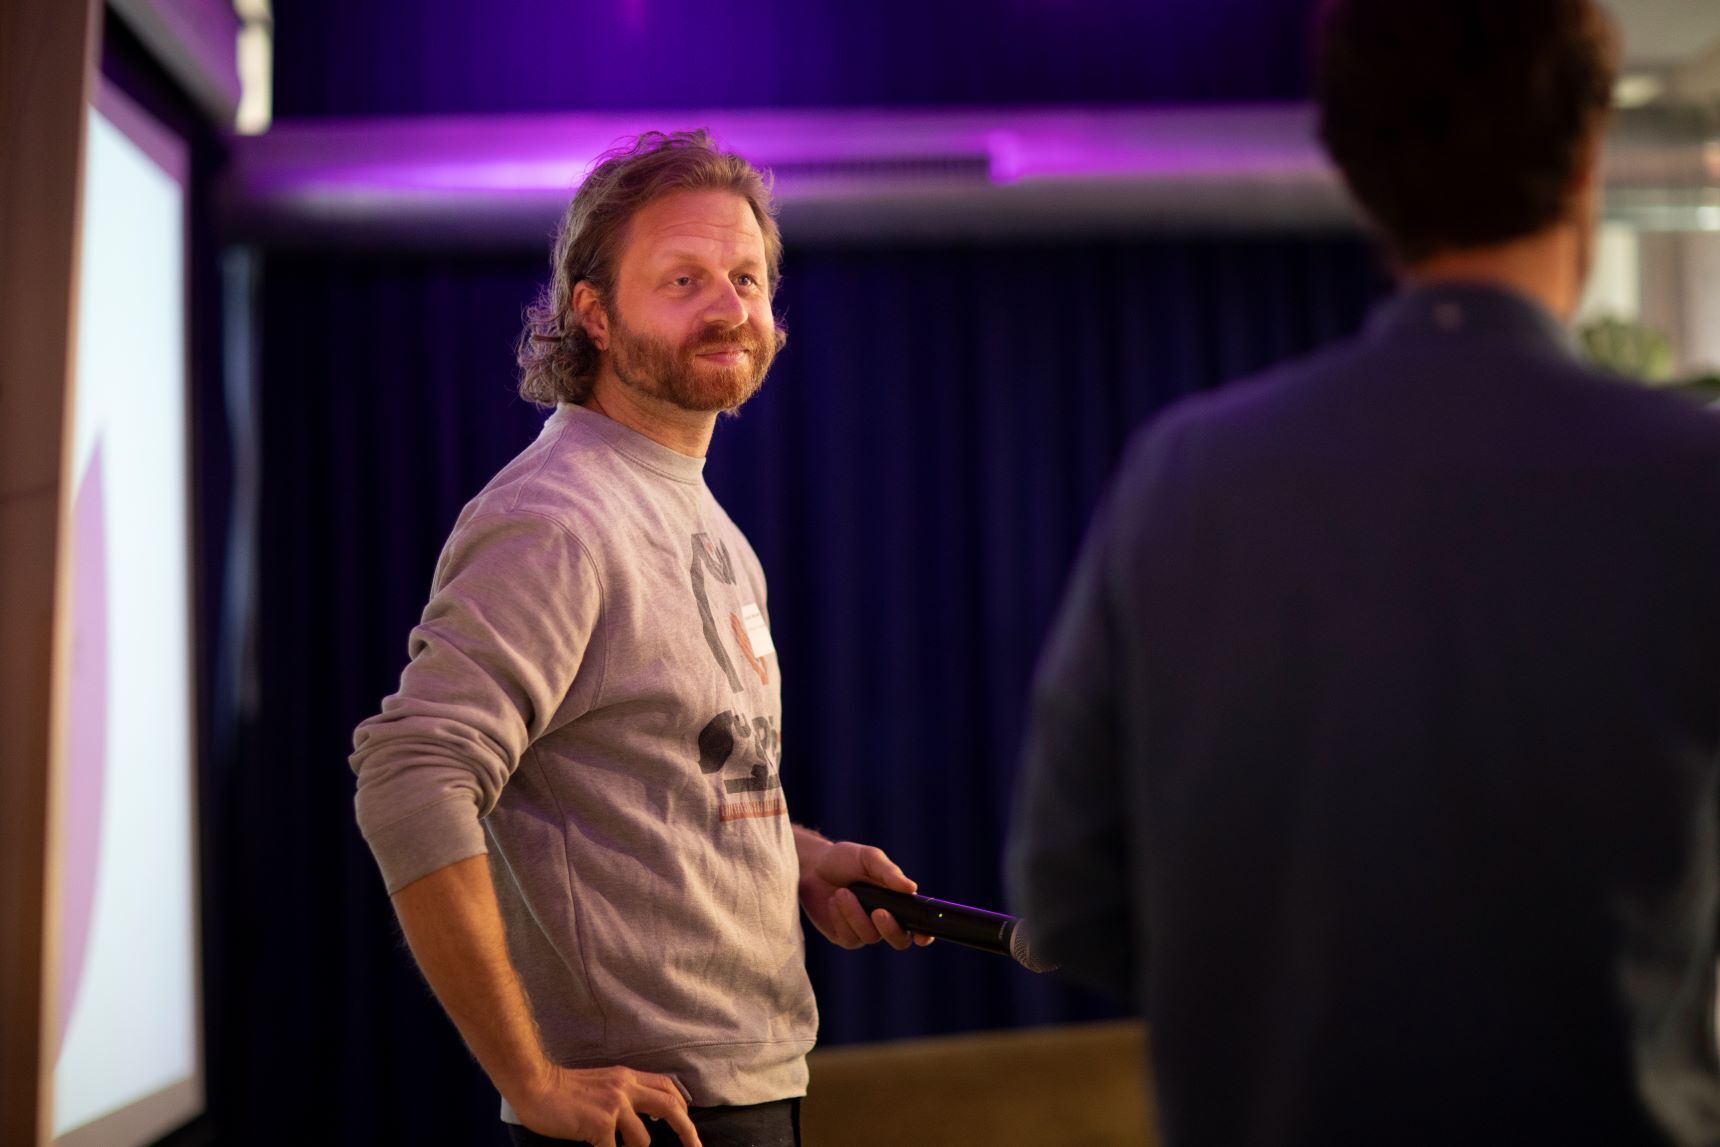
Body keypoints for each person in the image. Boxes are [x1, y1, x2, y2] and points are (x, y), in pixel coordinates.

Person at [1006, 2, 1720, 1144]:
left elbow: (1072, 899)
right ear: (1587, 156)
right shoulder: (1696, 482)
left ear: (1356, 174)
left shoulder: (1185, 479)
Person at [351, 131, 926, 1147]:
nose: (728, 307)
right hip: (646, 1116)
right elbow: (410, 773)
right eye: (683, 279)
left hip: (749, 1086)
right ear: (595, 314)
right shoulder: (556, 515)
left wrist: (797, 860)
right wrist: (532, 1077)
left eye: (746, 279)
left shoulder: (712, 527)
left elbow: (657, 785)